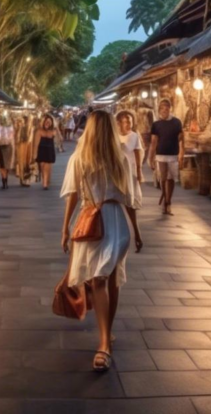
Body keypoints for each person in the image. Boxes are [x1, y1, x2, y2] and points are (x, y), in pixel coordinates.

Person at [60, 111, 143, 372]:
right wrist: (65, 228)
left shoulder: (121, 160)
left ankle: (104, 343)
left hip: (115, 222)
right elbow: (73, 195)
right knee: (103, 278)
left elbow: (129, 199)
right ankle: (107, 332)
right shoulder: (79, 159)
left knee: (105, 277)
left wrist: (137, 231)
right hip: (92, 222)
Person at [148, 99, 183, 215]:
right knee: (163, 177)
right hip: (161, 154)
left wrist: (181, 154)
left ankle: (168, 201)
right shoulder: (156, 124)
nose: (164, 111)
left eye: (166, 108)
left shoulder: (177, 122)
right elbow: (153, 142)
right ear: (159, 110)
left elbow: (181, 140)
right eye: (162, 109)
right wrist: (150, 157)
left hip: (173, 154)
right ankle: (164, 200)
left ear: (170, 109)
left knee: (171, 178)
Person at [115, 110, 143, 210]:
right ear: (119, 123)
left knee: (132, 191)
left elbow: (137, 153)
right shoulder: (114, 136)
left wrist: (139, 171)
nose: (129, 124)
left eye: (130, 122)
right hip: (118, 168)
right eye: (126, 122)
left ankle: (131, 207)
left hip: (131, 168)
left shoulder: (134, 136)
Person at [34, 114, 57, 190]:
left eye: (49, 122)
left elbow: (60, 139)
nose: (47, 123)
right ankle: (45, 181)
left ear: (51, 123)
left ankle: (45, 184)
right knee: (42, 167)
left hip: (49, 151)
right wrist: (35, 154)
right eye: (46, 122)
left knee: (47, 168)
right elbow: (36, 144)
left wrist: (58, 130)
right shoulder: (39, 131)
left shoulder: (53, 131)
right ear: (43, 122)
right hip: (41, 151)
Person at [0, 114, 15, 189]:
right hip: (3, 147)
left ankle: (5, 181)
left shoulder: (8, 127)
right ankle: (4, 181)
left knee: (5, 165)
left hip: (6, 146)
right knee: (3, 165)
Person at [15, 115, 32, 187]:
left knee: (26, 161)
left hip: (26, 143)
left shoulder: (29, 125)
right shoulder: (19, 124)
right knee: (22, 161)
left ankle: (24, 178)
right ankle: (23, 178)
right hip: (22, 143)